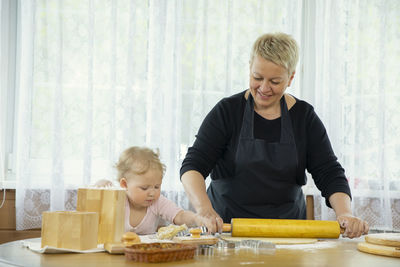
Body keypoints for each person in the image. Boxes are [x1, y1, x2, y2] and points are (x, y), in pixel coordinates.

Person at [180, 32, 369, 238]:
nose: (263, 88)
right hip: (227, 232)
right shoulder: (227, 111)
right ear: (250, 67)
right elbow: (193, 166)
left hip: (287, 235)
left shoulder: (304, 118)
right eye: (257, 77)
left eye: (275, 81)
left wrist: (345, 213)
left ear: (291, 78)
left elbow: (329, 172)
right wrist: (205, 210)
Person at [96, 146, 207, 235]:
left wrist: (196, 218)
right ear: (124, 184)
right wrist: (98, 187)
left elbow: (180, 216)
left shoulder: (157, 202)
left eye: (157, 187)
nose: (152, 193)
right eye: (144, 188)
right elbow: (93, 210)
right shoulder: (116, 199)